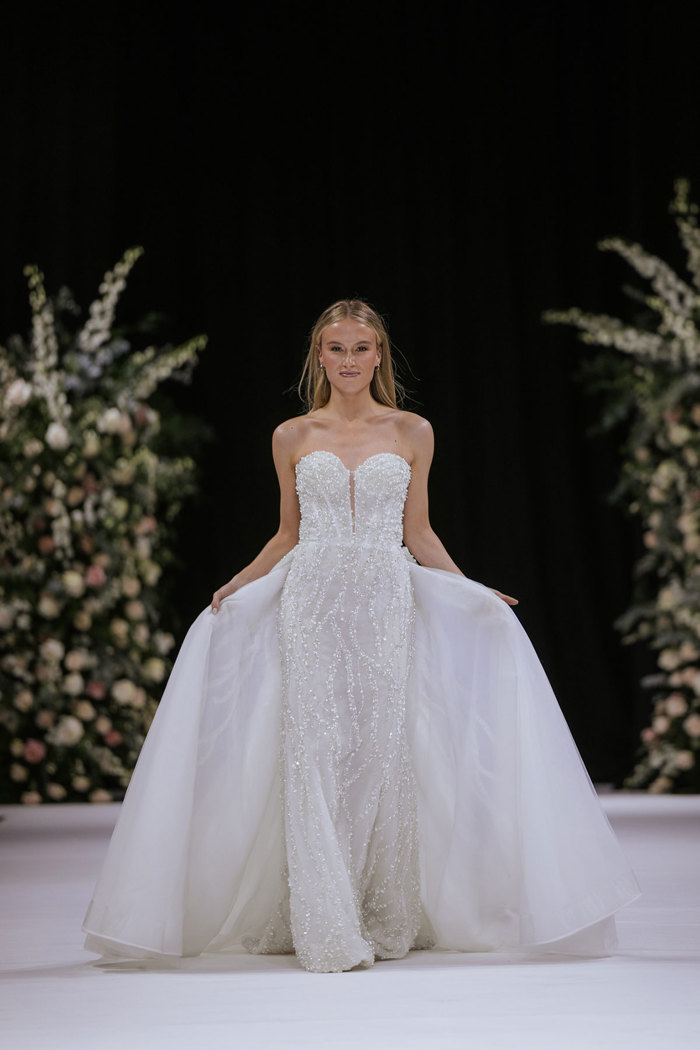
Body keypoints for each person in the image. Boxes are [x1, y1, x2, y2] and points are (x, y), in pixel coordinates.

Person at [82, 299, 641, 974]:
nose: (349, 360)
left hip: (383, 598)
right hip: (312, 599)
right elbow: (287, 532)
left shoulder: (413, 431)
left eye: (360, 348)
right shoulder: (291, 435)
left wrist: (470, 589)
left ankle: (379, 909)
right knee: (314, 747)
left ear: (379, 355)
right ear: (319, 356)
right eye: (336, 348)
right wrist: (238, 581)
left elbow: (420, 531)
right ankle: (325, 920)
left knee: (379, 750)